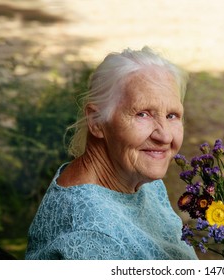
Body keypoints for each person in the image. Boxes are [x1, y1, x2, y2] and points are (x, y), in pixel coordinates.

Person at [25, 47, 198, 260]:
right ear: (96, 121)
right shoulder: (91, 239)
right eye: (142, 114)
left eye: (172, 115)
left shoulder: (138, 176)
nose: (164, 136)